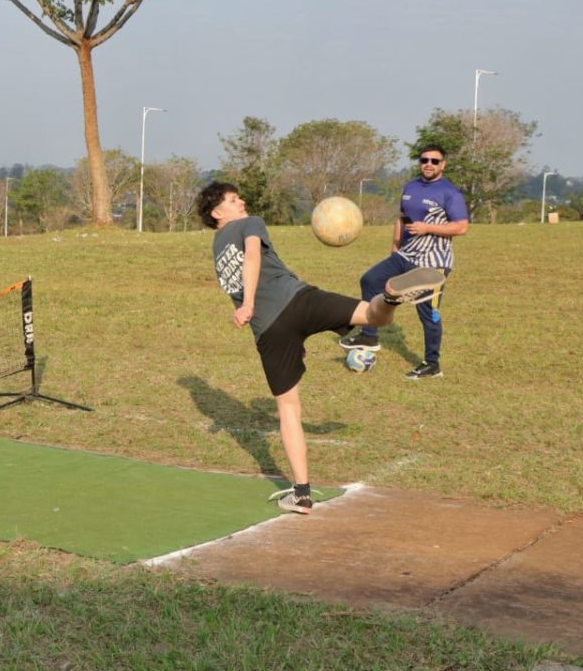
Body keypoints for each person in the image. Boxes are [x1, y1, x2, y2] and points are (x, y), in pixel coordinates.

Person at [196, 181, 445, 514]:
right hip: (300, 302)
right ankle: (389, 296)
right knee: (374, 315)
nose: (242, 202)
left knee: (288, 408)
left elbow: (246, 268)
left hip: (271, 330)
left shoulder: (217, 247)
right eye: (232, 199)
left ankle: (301, 493)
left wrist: (247, 306)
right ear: (216, 212)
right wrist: (249, 302)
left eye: (240, 197)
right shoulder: (249, 224)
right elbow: (253, 255)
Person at [339, 144, 469, 379]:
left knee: (427, 313)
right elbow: (401, 219)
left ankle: (432, 364)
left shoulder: (450, 193)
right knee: (370, 280)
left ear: (443, 165)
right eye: (424, 160)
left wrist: (427, 227)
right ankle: (369, 335)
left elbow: (461, 227)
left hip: (433, 262)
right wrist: (395, 248)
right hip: (406, 255)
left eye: (434, 161)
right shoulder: (411, 187)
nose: (429, 164)